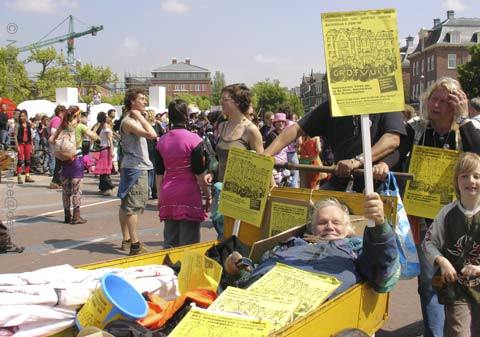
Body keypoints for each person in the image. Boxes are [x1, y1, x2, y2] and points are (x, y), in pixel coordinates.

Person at [400, 77, 480, 337]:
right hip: (425, 216)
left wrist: (465, 117)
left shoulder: (467, 130)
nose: (437, 104)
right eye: (434, 98)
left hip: (462, 219)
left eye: (446, 101)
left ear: (457, 105)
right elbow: (395, 151)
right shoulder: (416, 129)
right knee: (428, 281)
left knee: (464, 279)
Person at [224, 193, 400, 298]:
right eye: (323, 222)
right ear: (313, 229)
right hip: (259, 298)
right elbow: (253, 273)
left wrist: (379, 226)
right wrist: (236, 269)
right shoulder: (288, 246)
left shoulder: (356, 251)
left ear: (349, 230)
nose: (329, 226)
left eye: (336, 222)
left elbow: (382, 269)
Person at [263, 99, 406, 192]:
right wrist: (265, 156)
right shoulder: (334, 104)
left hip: (377, 185)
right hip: (340, 182)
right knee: (311, 216)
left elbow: (392, 139)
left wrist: (356, 161)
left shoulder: (386, 101)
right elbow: (295, 130)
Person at [423, 152, 480, 337]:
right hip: (457, 288)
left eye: (476, 176)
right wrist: (442, 261)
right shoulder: (447, 213)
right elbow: (429, 242)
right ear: (457, 181)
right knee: (458, 332)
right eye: (464, 176)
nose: (471, 181)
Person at [209, 83, 263, 238]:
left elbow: (262, 165)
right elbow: (221, 158)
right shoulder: (222, 126)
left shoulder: (251, 130)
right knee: (222, 235)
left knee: (236, 238)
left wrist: (272, 191)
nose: (221, 102)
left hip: (241, 197)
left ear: (237, 102)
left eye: (225, 99)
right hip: (222, 192)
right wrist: (212, 173)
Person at [154, 99, 211, 248]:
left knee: (170, 242)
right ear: (186, 115)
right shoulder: (195, 140)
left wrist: (160, 197)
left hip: (168, 194)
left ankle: (170, 269)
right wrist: (208, 194)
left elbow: (159, 173)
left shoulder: (161, 141)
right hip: (189, 194)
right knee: (189, 244)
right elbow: (199, 173)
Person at [117, 89, 157, 256]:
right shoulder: (129, 121)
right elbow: (152, 134)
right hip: (135, 167)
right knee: (133, 206)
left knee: (126, 204)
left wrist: (140, 116)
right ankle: (135, 244)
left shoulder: (130, 120)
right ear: (132, 101)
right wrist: (140, 116)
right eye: (141, 99)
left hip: (132, 166)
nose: (145, 102)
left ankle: (127, 240)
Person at [50, 106, 99, 224]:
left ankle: (67, 216)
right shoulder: (80, 126)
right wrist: (96, 138)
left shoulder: (63, 126)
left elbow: (51, 140)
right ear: (77, 115)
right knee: (77, 190)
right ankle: (76, 216)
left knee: (66, 190)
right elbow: (94, 137)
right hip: (76, 161)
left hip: (64, 161)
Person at [93, 112, 115, 196]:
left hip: (106, 149)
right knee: (102, 169)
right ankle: (103, 188)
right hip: (103, 149)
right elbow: (94, 132)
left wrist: (112, 151)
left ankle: (108, 187)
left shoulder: (106, 126)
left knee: (104, 169)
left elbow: (110, 140)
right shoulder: (103, 126)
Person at [14, 110, 35, 184]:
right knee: (20, 160)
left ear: (26, 116)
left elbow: (31, 136)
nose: (21, 117)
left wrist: (32, 145)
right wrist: (17, 146)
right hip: (20, 143)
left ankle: (27, 176)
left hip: (28, 143)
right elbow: (15, 136)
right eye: (20, 116)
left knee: (28, 160)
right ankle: (19, 176)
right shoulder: (17, 125)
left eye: (23, 116)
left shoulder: (29, 124)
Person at [48, 105, 66, 189]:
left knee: (59, 163)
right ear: (60, 112)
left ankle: (57, 181)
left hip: (58, 143)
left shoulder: (59, 119)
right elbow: (53, 131)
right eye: (64, 112)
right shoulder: (56, 119)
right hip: (56, 144)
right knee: (59, 163)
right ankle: (56, 181)